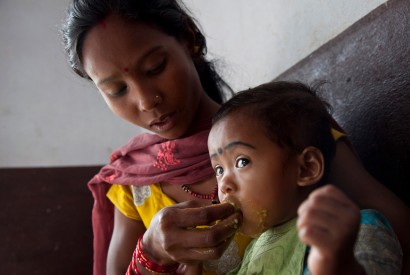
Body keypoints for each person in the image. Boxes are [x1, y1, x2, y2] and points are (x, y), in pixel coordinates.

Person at [61, 0, 410, 274]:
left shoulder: (286, 128)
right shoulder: (132, 185)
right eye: (116, 89)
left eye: (155, 68)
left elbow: (394, 229)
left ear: (189, 38)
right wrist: (152, 251)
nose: (145, 99)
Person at [207, 81, 402, 274]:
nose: (224, 184)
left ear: (306, 168)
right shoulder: (254, 250)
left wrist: (337, 263)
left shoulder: (351, 230)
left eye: (242, 162)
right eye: (219, 170)